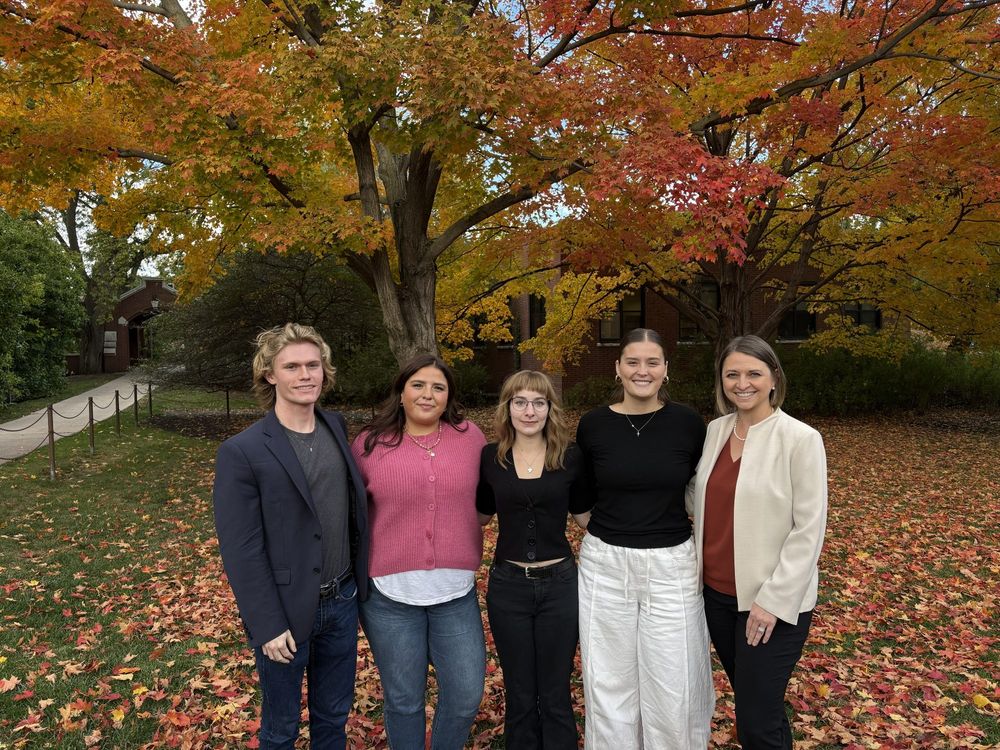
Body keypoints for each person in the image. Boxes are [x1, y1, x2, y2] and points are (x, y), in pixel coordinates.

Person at [212, 323, 369, 750]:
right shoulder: (243, 451)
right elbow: (241, 547)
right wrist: (266, 624)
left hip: (341, 602)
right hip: (283, 613)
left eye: (313, 365)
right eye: (293, 366)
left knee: (333, 719)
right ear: (270, 374)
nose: (305, 375)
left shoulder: (336, 427)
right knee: (281, 729)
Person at [575, 327, 714, 749]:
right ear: (618, 368)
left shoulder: (689, 424)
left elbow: (699, 488)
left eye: (652, 362)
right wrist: (614, 535)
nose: (642, 370)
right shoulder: (593, 425)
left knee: (674, 680)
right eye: (633, 361)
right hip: (605, 565)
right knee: (608, 680)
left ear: (665, 370)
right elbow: (580, 499)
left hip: (672, 564)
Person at [688, 335, 827, 750]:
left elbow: (809, 528)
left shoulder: (800, 439)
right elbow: (698, 496)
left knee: (755, 718)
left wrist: (773, 600)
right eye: (732, 374)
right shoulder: (715, 431)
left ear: (773, 379)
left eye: (754, 373)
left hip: (771, 605)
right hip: (716, 596)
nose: (742, 382)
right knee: (758, 707)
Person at [350, 355, 487, 750]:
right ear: (402, 391)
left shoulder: (470, 438)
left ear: (449, 397)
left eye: (438, 387)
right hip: (388, 596)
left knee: (464, 696)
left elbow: (492, 494)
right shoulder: (370, 443)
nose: (428, 394)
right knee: (405, 701)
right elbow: (350, 513)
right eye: (419, 385)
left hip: (454, 592)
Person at [476, 370, 592, 749]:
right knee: (520, 690)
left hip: (559, 585)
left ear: (549, 409)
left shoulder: (570, 457)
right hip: (508, 588)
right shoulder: (490, 459)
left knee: (556, 689)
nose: (529, 411)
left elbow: (586, 518)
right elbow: (478, 515)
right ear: (508, 408)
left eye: (538, 402)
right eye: (520, 402)